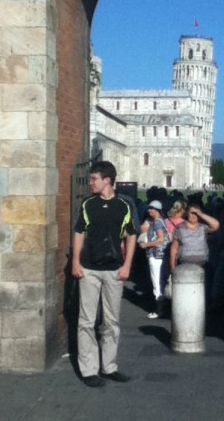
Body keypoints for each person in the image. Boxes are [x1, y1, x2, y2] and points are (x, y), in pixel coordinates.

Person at [71, 161, 137, 388]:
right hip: (89, 269)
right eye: (90, 179)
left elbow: (131, 235)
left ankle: (109, 366)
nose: (90, 183)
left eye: (94, 179)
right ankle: (88, 369)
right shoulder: (88, 204)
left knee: (111, 321)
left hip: (114, 269)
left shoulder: (124, 206)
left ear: (107, 180)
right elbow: (79, 232)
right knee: (86, 321)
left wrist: (127, 265)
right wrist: (76, 262)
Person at [137, 200, 169, 318]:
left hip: (156, 255)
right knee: (160, 281)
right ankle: (161, 307)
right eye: (149, 208)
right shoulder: (160, 221)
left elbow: (160, 239)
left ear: (158, 210)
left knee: (157, 283)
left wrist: (146, 245)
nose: (149, 210)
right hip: (161, 255)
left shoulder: (157, 223)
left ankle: (159, 309)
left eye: (152, 208)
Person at [169, 201, 220, 272]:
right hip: (184, 265)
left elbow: (216, 225)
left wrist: (201, 214)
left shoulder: (203, 227)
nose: (194, 216)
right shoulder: (180, 228)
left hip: (202, 265)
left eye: (196, 214)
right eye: (191, 213)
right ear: (187, 213)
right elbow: (174, 247)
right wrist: (172, 266)